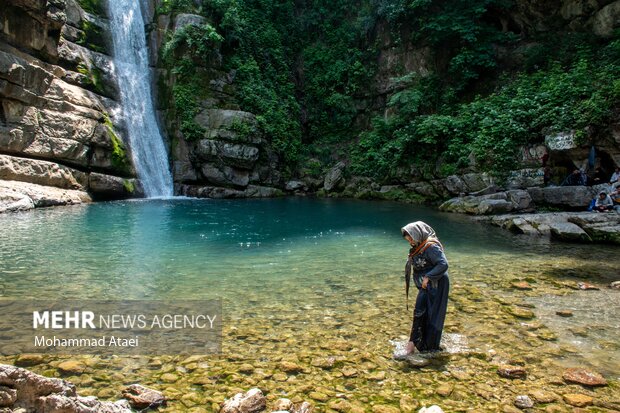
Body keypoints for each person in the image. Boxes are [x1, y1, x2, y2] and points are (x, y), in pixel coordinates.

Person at [401, 221, 449, 354]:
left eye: (411, 238)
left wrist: (428, 276)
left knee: (431, 313)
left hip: (436, 285)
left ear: (417, 234)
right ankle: (417, 344)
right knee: (420, 312)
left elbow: (443, 264)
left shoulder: (431, 247)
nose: (409, 241)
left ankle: (426, 346)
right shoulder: (419, 245)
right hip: (427, 286)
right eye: (408, 239)